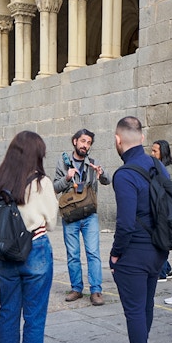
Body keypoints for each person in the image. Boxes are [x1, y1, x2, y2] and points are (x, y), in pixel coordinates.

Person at [0, 131, 58, 343]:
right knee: (34, 315)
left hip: (6, 251)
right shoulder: (41, 183)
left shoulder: (0, 181)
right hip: (35, 248)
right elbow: (51, 221)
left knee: (7, 312)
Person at [111, 117, 169, 343]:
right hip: (159, 248)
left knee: (134, 309)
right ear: (143, 138)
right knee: (145, 304)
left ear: (118, 140)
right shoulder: (157, 164)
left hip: (134, 251)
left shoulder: (124, 175)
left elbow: (124, 222)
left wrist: (115, 253)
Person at [53, 129, 111, 306]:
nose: (85, 145)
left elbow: (107, 180)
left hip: (89, 215)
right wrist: (67, 178)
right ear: (75, 141)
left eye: (89, 143)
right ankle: (76, 289)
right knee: (73, 254)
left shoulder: (93, 163)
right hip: (70, 215)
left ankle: (96, 291)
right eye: (83, 141)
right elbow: (55, 187)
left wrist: (101, 173)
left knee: (93, 253)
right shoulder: (63, 163)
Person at [151, 140, 172, 282]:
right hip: (165, 211)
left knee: (161, 241)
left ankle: (162, 272)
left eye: (155, 151)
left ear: (162, 153)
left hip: (167, 213)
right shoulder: (159, 168)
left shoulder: (166, 170)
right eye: (151, 150)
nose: (151, 154)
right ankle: (167, 269)